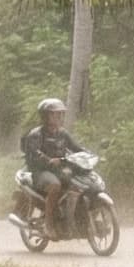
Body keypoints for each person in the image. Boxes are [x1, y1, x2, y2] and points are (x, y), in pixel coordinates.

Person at [20, 98, 84, 230]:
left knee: (79, 184)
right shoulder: (36, 135)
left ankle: (72, 220)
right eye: (54, 114)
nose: (58, 117)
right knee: (55, 185)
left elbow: (77, 148)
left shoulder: (62, 133)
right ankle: (49, 224)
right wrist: (50, 160)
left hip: (59, 170)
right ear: (45, 116)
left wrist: (89, 155)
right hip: (40, 172)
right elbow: (35, 157)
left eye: (60, 114)